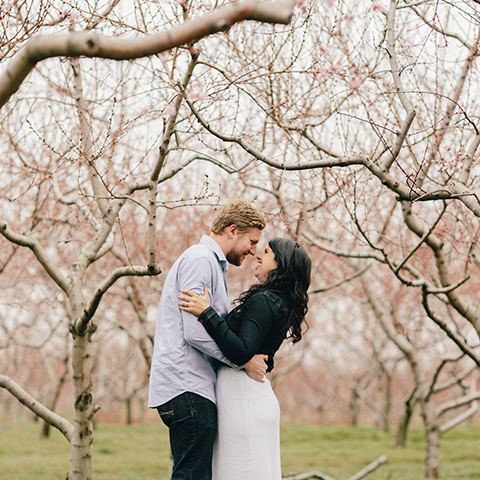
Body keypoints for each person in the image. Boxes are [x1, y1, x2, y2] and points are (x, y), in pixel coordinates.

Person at [148, 197, 268, 480]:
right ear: (232, 230)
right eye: (251, 241)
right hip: (187, 385)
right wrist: (241, 362)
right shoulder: (200, 260)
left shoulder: (211, 264)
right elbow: (194, 332)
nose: (253, 251)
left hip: (192, 386)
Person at [178, 237, 311, 480]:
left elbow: (241, 350)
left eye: (267, 252)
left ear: (280, 264)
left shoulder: (265, 300)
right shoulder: (279, 302)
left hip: (243, 400)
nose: (258, 255)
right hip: (250, 397)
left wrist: (206, 313)